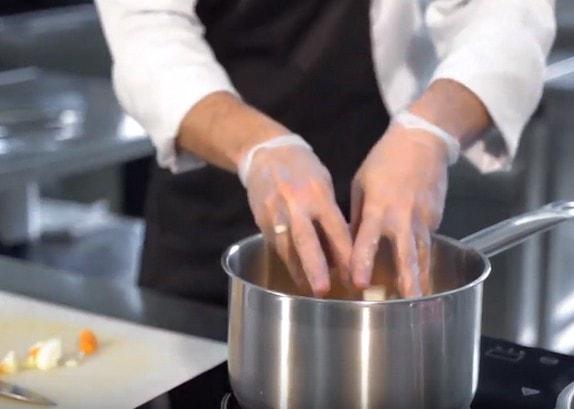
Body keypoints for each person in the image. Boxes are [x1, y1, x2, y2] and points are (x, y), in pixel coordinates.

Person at [95, 0, 556, 305]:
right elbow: (147, 25)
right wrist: (259, 147)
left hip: (382, 158)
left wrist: (427, 132)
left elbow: (506, 11)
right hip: (203, 215)